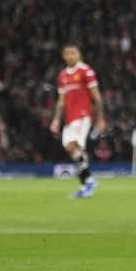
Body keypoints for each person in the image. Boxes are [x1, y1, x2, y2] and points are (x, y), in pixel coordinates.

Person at [50, 44, 106, 198]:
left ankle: (87, 183)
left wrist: (101, 118)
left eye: (73, 53)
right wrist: (56, 120)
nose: (70, 56)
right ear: (63, 56)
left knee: (75, 146)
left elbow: (97, 96)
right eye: (67, 54)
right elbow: (61, 101)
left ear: (79, 54)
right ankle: (87, 182)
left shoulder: (86, 71)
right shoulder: (62, 76)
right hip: (69, 118)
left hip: (82, 116)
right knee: (70, 148)